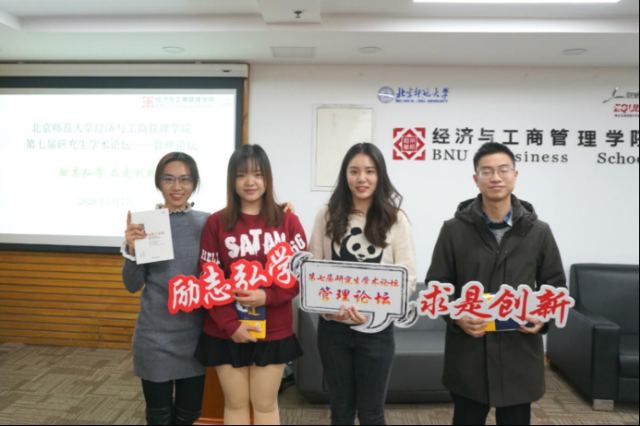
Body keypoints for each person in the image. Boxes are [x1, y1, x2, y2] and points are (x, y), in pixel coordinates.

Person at [426, 142, 567, 426]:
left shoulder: (538, 231)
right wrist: (456, 316)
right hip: (470, 348)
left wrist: (543, 316)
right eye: (487, 171)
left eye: (503, 170)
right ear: (475, 178)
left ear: (515, 175)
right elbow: (437, 285)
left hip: (518, 348)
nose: (496, 177)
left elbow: (554, 286)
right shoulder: (454, 230)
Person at [195, 144, 307, 426]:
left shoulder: (288, 222)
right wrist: (230, 325)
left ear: (267, 178)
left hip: (273, 329)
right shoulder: (216, 223)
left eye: (257, 174)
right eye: (241, 175)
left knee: (265, 405)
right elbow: (208, 277)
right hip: (225, 329)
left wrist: (267, 296)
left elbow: (300, 275)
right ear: (232, 180)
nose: (250, 181)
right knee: (234, 404)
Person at [309, 143, 417, 426]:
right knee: (341, 411)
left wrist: (376, 312)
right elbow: (313, 270)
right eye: (354, 171)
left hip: (377, 332)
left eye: (370, 171)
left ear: (380, 175)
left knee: (371, 414)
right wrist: (327, 310)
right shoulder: (327, 214)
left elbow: (407, 276)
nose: (362, 178)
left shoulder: (395, 218)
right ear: (345, 174)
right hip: (333, 330)